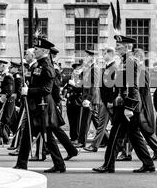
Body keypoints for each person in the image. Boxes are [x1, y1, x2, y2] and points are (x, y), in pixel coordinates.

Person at [93, 35, 155, 173]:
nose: (116, 48)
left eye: (119, 46)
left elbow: (132, 86)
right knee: (135, 136)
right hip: (125, 105)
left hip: (127, 106)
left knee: (115, 135)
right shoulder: (124, 61)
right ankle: (148, 164)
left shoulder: (130, 62)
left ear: (127, 47)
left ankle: (108, 165)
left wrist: (129, 107)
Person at [14, 37, 66, 173]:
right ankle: (22, 163)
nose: (34, 51)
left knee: (47, 136)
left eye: (36, 49)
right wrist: (28, 87)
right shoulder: (38, 65)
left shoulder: (47, 66)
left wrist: (29, 91)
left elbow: (47, 89)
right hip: (36, 105)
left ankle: (59, 164)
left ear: (43, 51)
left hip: (43, 106)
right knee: (29, 134)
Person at [133, 49, 157, 161]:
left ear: (139, 58)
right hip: (140, 103)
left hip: (141, 103)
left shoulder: (142, 70)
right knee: (142, 130)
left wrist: (138, 103)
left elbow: (142, 90)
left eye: (134, 57)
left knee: (144, 129)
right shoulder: (140, 69)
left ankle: (126, 152)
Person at [84, 47, 115, 153]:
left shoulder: (114, 67)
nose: (103, 55)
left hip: (109, 102)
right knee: (101, 124)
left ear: (110, 54)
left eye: (105, 53)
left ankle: (122, 146)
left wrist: (111, 101)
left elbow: (114, 86)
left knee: (117, 126)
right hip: (104, 101)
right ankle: (95, 145)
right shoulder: (107, 66)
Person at [74, 50, 100, 148]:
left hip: (91, 98)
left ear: (92, 58)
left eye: (87, 56)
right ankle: (105, 139)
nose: (85, 58)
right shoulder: (88, 68)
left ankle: (81, 142)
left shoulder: (95, 68)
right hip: (86, 97)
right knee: (94, 120)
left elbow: (95, 85)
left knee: (86, 120)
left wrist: (89, 99)